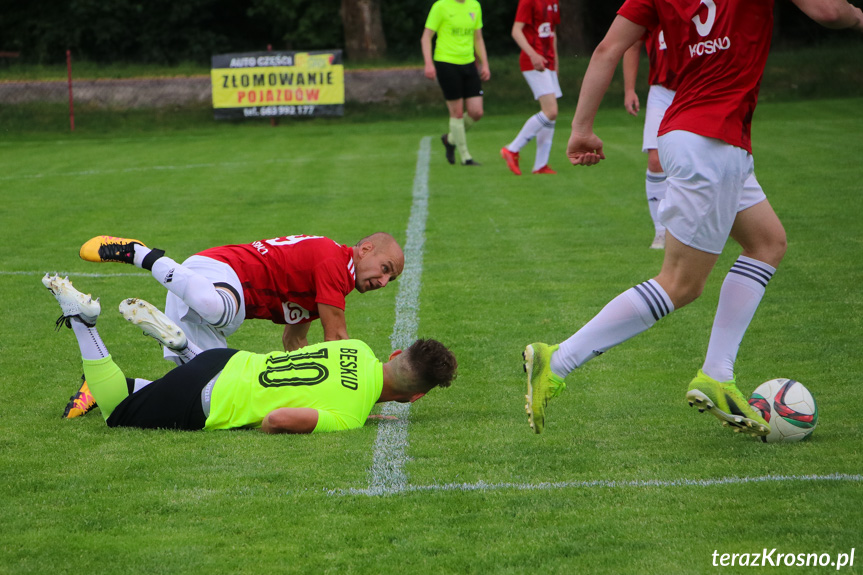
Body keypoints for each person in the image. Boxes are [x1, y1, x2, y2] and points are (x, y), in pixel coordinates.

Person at [523, 0, 863, 435]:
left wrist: (581, 129)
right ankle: (560, 359)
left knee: (767, 242)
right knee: (680, 284)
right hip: (711, 142)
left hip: (690, 133)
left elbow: (607, 49)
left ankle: (717, 374)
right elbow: (830, 11)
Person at [43, 274, 457, 433]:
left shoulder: (355, 347)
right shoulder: (348, 417)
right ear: (413, 396)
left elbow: (335, 380)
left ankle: (183, 349)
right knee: (119, 414)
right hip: (213, 398)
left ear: (397, 352)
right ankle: (82, 320)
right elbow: (277, 419)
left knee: (144, 395)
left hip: (225, 360)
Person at [63, 232, 404, 419]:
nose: (384, 281)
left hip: (196, 290)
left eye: (391, 277)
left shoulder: (326, 281)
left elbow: (294, 341)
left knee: (205, 389)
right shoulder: (336, 263)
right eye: (385, 267)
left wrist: (310, 395)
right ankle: (140, 254)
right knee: (218, 310)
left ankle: (104, 385)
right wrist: (356, 399)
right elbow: (338, 340)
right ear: (365, 249)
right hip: (218, 276)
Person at [622, 27, 677, 248]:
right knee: (655, 161)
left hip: (696, 88)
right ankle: (661, 231)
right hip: (661, 90)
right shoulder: (652, 5)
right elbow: (632, 44)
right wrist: (629, 89)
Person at [421, 0, 491, 166]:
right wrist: (428, 63)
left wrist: (485, 63)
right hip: (446, 63)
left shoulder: (474, 6)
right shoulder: (441, 6)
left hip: (469, 63)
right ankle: (465, 157)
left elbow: (478, 38)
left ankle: (450, 139)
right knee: (457, 113)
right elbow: (426, 37)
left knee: (476, 112)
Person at [500, 0, 561, 176]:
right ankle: (512, 149)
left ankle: (540, 165)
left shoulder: (554, 2)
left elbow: (552, 31)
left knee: (550, 116)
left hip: (548, 61)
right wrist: (533, 54)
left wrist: (555, 60)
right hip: (533, 61)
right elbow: (516, 31)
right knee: (551, 112)